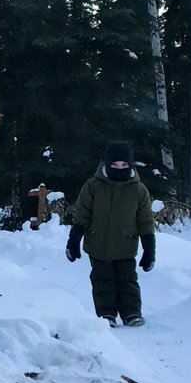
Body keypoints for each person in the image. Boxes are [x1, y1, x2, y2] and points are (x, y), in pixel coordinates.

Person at [65, 140, 156, 327]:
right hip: (98, 243)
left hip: (126, 244)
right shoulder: (93, 186)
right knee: (102, 280)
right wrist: (73, 240)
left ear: (130, 165)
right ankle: (106, 314)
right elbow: (82, 214)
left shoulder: (139, 190)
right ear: (106, 164)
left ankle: (131, 313)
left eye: (124, 165)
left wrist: (149, 250)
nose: (119, 168)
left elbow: (146, 221)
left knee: (127, 280)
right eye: (115, 164)